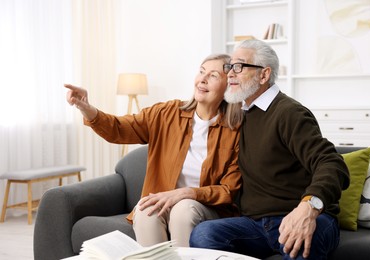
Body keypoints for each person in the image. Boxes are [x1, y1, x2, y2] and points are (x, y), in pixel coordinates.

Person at [189, 40, 350, 259]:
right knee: (204, 234)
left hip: (302, 215)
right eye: (230, 67)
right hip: (256, 225)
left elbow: (332, 163)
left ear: (264, 75)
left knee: (301, 244)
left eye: (239, 66)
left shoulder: (289, 113)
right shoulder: (240, 114)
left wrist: (308, 208)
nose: (231, 74)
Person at [64, 53, 244, 247]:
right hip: (165, 201)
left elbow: (228, 190)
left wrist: (187, 193)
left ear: (228, 86)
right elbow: (119, 128)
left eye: (214, 75)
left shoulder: (235, 130)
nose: (203, 79)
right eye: (201, 71)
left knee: (182, 210)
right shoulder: (167, 113)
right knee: (145, 211)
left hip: (208, 207)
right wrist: (86, 108)